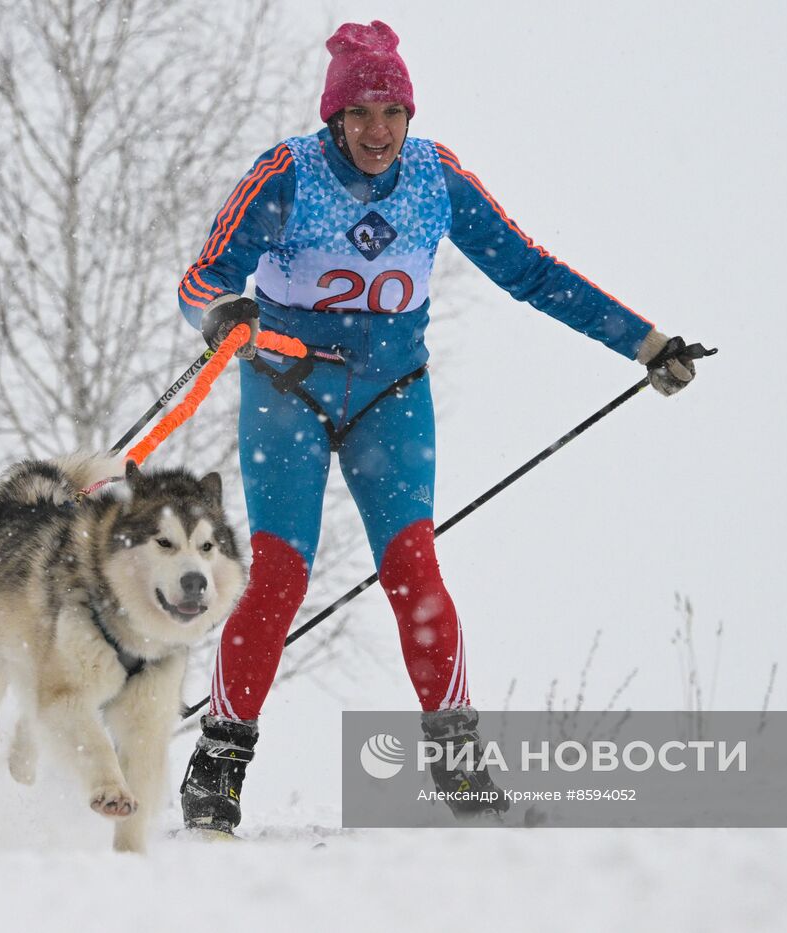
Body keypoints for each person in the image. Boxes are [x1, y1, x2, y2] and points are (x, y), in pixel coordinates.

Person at [175, 20, 696, 835]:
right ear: (334, 119)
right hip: (290, 393)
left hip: (390, 395)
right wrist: (219, 313)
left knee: (413, 568)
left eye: (392, 112)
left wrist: (645, 340)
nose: (378, 131)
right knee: (279, 574)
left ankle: (458, 761)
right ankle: (218, 765)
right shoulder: (287, 173)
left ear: (410, 115)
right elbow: (204, 276)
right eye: (361, 114)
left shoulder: (434, 177)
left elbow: (530, 270)